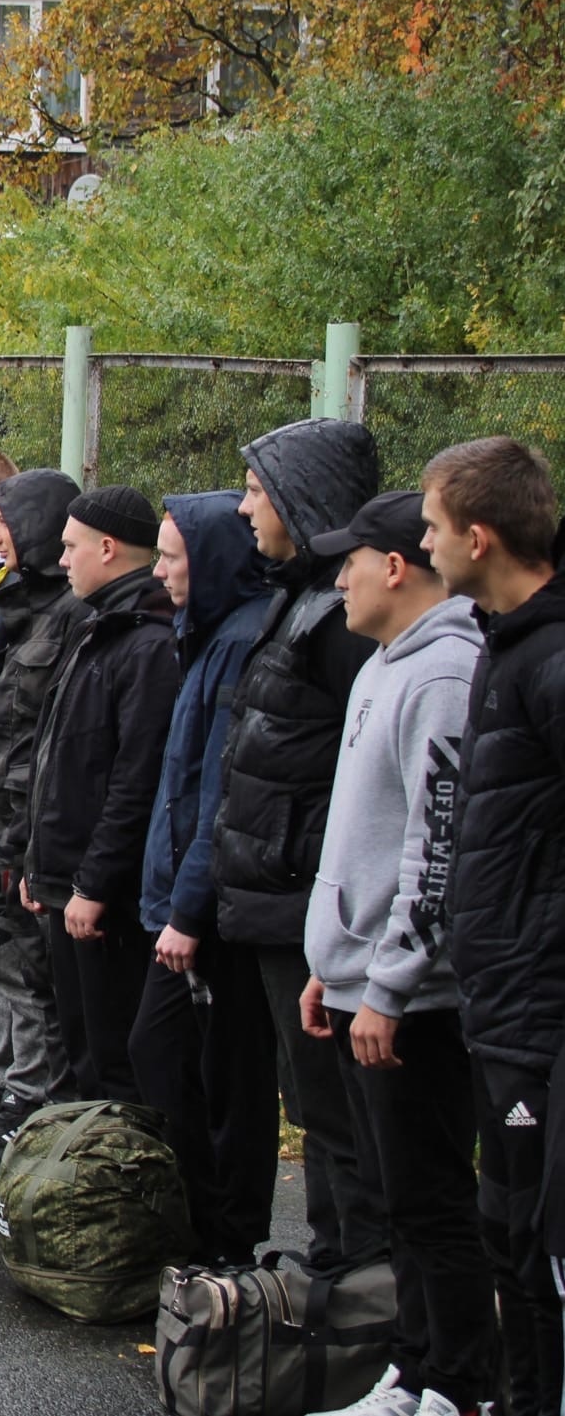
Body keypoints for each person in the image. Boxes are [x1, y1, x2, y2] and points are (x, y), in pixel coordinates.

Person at [294, 490, 494, 1416]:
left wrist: (385, 983)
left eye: (350, 562)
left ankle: (453, 1380)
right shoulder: (381, 664)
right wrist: (326, 964)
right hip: (356, 978)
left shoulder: (443, 673)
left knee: (430, 1197)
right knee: (396, 1193)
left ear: (395, 567)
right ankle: (411, 1371)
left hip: (413, 999)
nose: (337, 579)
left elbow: (436, 843)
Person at [212, 417, 383, 1275]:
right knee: (312, 1103)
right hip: (281, 895)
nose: (245, 509)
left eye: (255, 490)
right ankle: (334, 1262)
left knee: (334, 1110)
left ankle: (353, 1284)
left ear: (300, 498)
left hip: (306, 899)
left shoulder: (339, 619)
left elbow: (360, 771)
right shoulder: (303, 596)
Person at [422, 438, 565, 1416]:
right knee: (501, 1225)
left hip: (536, 1007)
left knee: (531, 1236)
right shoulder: (500, 639)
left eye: (430, 528)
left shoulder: (548, 659)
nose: (422, 544)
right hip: (497, 999)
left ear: (477, 536)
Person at [127, 491, 273, 1265]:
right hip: (180, 894)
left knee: (218, 1075)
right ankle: (198, 1224)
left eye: (173, 558)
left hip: (206, 908)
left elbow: (216, 790)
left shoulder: (238, 642)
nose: (162, 572)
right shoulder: (208, 635)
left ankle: (226, 1234)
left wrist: (185, 908)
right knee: (171, 1061)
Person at [21, 486, 176, 1107]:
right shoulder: (102, 629)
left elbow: (132, 781)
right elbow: (61, 757)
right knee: (83, 1044)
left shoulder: (145, 644)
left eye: (71, 548)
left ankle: (120, 1183)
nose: (63, 562)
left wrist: (92, 884)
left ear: (108, 549)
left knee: (112, 1054)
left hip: (101, 892)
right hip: (68, 876)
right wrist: (41, 865)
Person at [0, 466, 79, 1163]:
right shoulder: (6, 598)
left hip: (23, 810)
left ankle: (28, 1092)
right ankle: (2, 1080)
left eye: (6, 521)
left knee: (27, 967)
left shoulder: (63, 613)